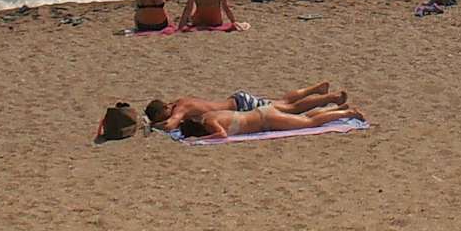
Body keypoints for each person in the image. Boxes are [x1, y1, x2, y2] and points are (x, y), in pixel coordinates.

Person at [149, 82, 348, 133]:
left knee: (291, 108)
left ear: (165, 108)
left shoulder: (180, 109)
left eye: (162, 116)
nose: (165, 118)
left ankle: (330, 97)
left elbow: (170, 125)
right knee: (283, 103)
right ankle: (317, 89)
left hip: (242, 107)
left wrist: (152, 126)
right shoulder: (181, 101)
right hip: (237, 101)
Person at [175, 99, 363, 140]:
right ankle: (335, 109)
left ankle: (348, 113)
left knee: (310, 123)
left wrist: (201, 139)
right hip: (261, 113)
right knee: (303, 117)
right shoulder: (208, 116)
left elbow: (221, 135)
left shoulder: (209, 123)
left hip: (266, 119)